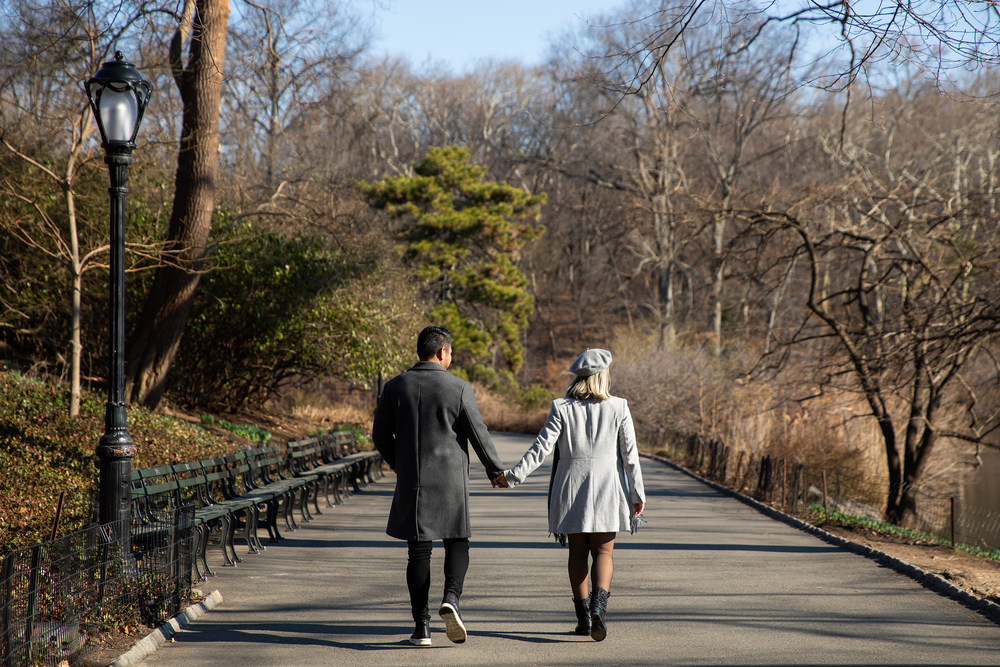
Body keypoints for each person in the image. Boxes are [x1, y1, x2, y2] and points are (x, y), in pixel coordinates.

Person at [372, 325, 508, 647]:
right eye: (451, 352)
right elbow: (479, 433)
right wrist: (496, 471)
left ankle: (421, 628)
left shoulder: (394, 387)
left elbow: (379, 436)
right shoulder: (458, 387)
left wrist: (401, 464)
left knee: (418, 551)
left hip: (413, 481)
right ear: (442, 352)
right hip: (451, 481)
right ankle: (451, 598)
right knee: (457, 541)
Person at [498, 348, 645, 642]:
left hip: (571, 487)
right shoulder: (619, 407)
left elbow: (540, 448)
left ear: (578, 377)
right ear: (603, 376)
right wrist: (637, 493)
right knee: (604, 552)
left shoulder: (561, 407)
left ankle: (583, 620)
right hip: (607, 487)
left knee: (577, 553)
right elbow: (630, 456)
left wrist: (512, 476)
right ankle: (598, 609)